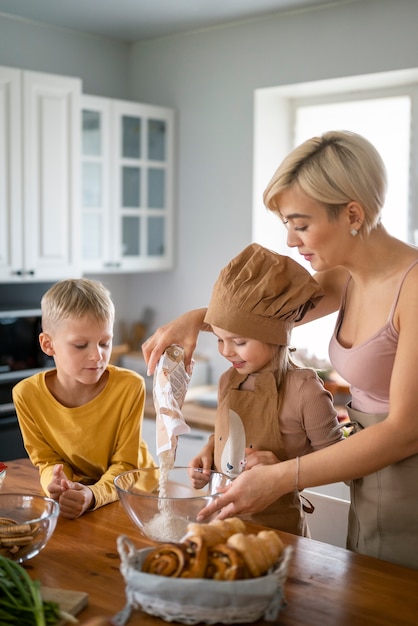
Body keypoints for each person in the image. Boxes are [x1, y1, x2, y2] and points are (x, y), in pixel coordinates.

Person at [142, 130, 418, 570]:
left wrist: (279, 478)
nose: (291, 241)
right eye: (286, 226)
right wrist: (196, 318)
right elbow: (264, 319)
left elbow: (405, 430)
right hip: (370, 489)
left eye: (301, 224)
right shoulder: (346, 277)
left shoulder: (413, 288)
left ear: (352, 213)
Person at [188, 242, 343, 536]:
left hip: (279, 535)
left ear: (274, 336)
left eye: (239, 341)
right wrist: (210, 450)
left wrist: (284, 471)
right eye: (220, 339)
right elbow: (232, 433)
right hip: (220, 527)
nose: (226, 351)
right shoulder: (228, 381)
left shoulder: (304, 390)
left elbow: (339, 463)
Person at [13, 278, 156, 519]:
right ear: (48, 344)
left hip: (137, 495)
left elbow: (126, 466)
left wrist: (93, 495)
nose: (97, 356)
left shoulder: (129, 387)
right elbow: (48, 462)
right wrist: (58, 485)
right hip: (84, 496)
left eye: (105, 343)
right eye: (81, 345)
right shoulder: (26, 395)